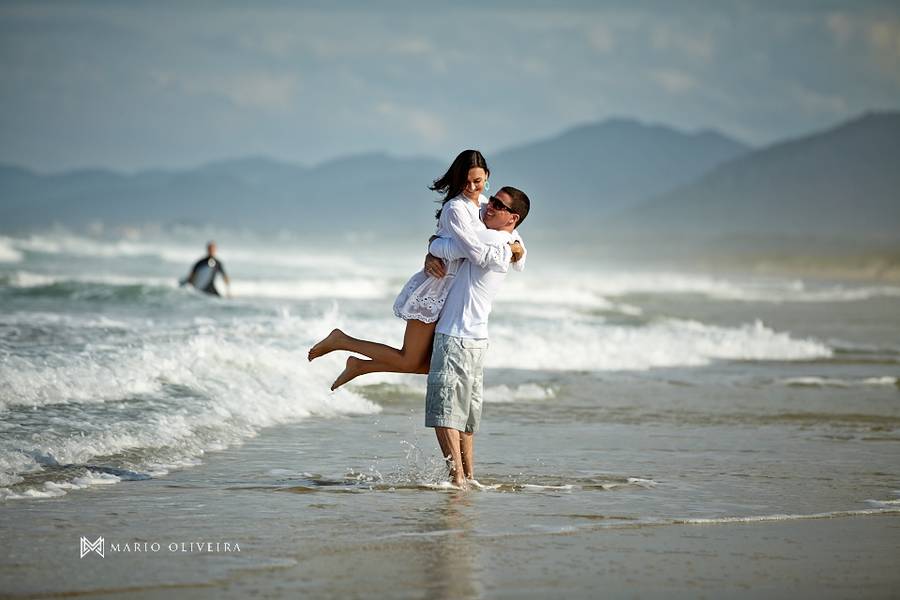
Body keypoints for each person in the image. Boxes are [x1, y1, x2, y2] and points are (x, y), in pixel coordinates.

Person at [307, 150, 525, 389]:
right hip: (435, 287)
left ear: (487, 177)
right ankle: (342, 340)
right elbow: (472, 251)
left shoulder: (486, 205)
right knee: (411, 359)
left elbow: (509, 232)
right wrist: (436, 248)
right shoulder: (456, 208)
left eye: (478, 181)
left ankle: (360, 366)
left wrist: (516, 246)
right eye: (466, 181)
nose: (472, 187)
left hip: (452, 294)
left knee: (430, 364)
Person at [424, 186, 530, 489]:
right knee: (465, 418)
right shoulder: (509, 240)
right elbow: (518, 250)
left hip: (455, 335)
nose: (490, 205)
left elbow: (447, 247)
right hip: (476, 339)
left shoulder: (489, 237)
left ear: (513, 218)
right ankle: (468, 477)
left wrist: (432, 244)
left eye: (498, 205)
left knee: (445, 414)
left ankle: (456, 480)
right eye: (491, 200)